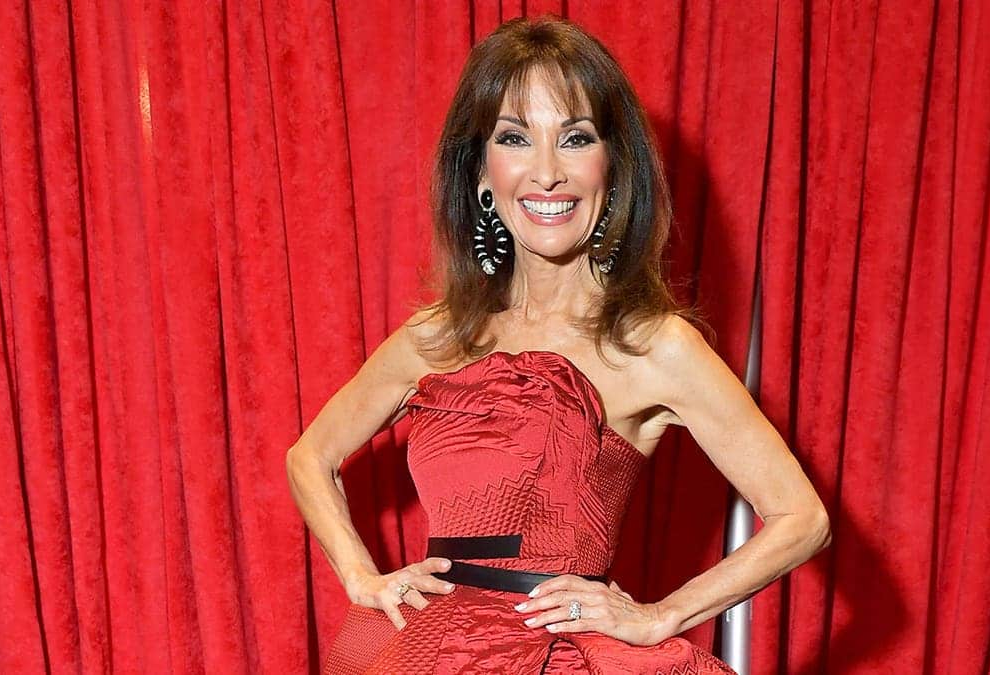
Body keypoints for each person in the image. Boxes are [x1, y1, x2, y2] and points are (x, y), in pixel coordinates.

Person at [285, 16, 830, 674]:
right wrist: (360, 576)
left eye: (575, 138)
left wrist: (661, 615)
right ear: (482, 174)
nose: (546, 173)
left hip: (559, 656)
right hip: (426, 653)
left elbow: (802, 517)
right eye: (515, 138)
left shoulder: (654, 345)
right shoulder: (437, 335)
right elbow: (309, 456)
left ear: (612, 168)